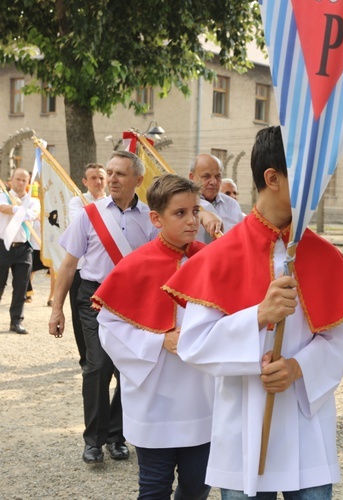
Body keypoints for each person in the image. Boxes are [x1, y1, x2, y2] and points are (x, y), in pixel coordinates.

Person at [163, 125, 343, 498]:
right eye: (309, 176)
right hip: (245, 424)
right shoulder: (223, 255)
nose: (320, 187)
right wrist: (258, 315)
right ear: (273, 178)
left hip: (307, 424)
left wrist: (297, 368)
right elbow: (193, 344)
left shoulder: (322, 254)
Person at [94, 174, 213, 499]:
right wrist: (160, 340)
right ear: (156, 218)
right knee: (154, 487)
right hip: (154, 397)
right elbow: (109, 328)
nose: (192, 220)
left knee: (197, 484)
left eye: (195, 211)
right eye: (180, 213)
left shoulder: (209, 261)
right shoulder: (135, 266)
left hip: (201, 396)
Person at [48, 151, 158, 464]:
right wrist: (57, 309)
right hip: (94, 297)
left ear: (138, 180)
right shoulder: (89, 214)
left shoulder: (150, 219)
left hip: (133, 301)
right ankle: (93, 441)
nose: (111, 179)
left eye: (120, 174)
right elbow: (68, 266)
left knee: (129, 368)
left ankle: (116, 435)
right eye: (109, 173)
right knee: (97, 367)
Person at [68, 163, 108, 368]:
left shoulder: (113, 202)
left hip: (106, 271)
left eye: (101, 177)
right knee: (80, 315)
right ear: (85, 182)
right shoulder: (77, 202)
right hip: (81, 269)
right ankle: (85, 358)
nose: (98, 181)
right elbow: (80, 226)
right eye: (93, 178)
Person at [0, 168, 40, 334]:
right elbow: (3, 208)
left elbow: (34, 214)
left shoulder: (33, 200)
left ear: (28, 183)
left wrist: (26, 212)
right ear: (11, 180)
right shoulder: (4, 194)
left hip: (23, 247)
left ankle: (16, 321)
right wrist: (19, 210)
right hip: (3, 245)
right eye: (18, 179)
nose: (21, 183)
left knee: (21, 287)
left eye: (24, 180)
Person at [189, 154, 243, 243]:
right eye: (206, 176)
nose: (213, 182)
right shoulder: (183, 204)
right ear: (192, 177)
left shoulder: (232, 205)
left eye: (218, 176)